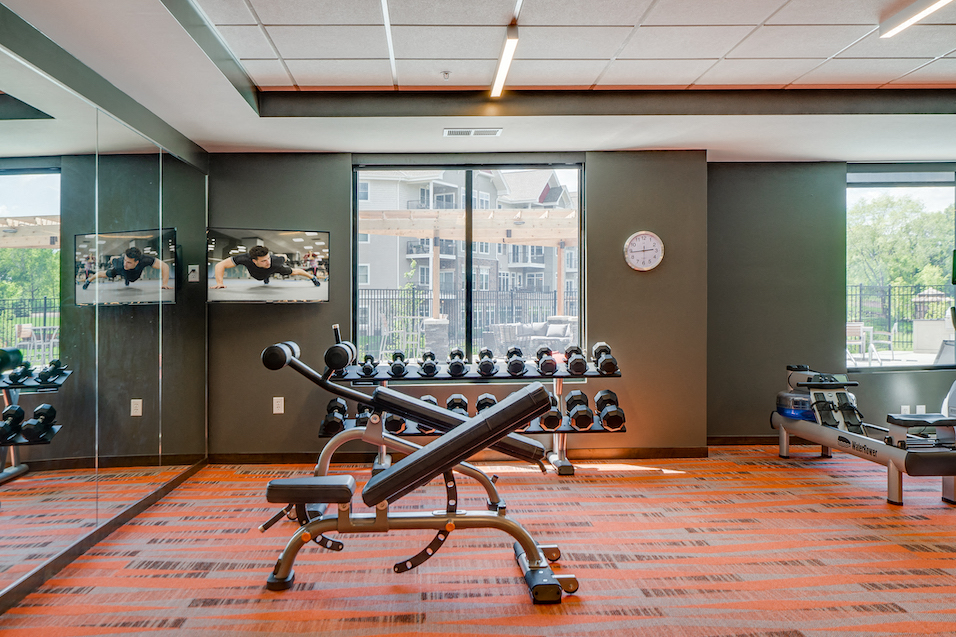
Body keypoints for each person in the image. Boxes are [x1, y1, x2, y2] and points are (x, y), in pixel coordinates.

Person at [211, 245, 321, 288]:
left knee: (294, 271)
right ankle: (266, 276)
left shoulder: (275, 261)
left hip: (274, 269)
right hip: (256, 274)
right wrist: (220, 283)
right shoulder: (244, 259)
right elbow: (220, 265)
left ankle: (313, 278)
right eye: (263, 260)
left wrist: (313, 277)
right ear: (254, 261)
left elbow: (285, 258)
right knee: (261, 277)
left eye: (268, 258)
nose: (267, 262)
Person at [83, 246, 171, 289]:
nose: (125, 264)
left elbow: (165, 266)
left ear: (137, 262)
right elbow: (112, 258)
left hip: (135, 275)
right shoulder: (119, 263)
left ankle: (127, 279)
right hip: (120, 271)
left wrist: (165, 283)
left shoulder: (145, 260)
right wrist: (110, 261)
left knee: (131, 279)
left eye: (129, 262)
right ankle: (89, 280)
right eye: (125, 260)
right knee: (106, 273)